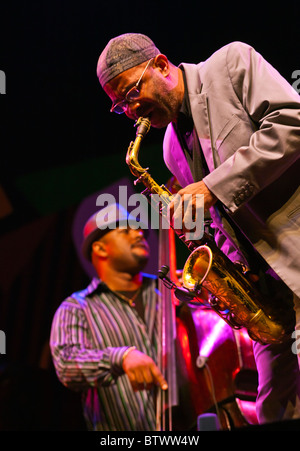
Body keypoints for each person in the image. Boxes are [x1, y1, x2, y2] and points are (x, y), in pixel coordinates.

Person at [96, 33, 300, 424]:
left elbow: (291, 122)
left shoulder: (230, 63)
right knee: (273, 408)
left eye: (131, 92)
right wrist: (219, 269)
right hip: (267, 291)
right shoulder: (171, 146)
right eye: (120, 106)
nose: (130, 109)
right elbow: (221, 218)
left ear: (160, 65)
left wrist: (211, 187)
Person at [50, 203, 167, 431]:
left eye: (140, 230)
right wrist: (120, 358)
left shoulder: (169, 293)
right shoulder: (77, 307)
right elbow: (66, 363)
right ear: (101, 249)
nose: (138, 233)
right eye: (125, 231)